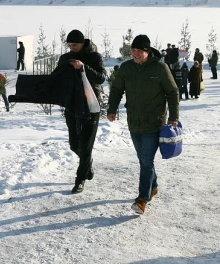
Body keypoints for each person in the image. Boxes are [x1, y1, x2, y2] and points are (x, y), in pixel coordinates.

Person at [107, 34, 179, 215]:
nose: (135, 53)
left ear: (147, 52)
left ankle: (142, 199)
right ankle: (153, 186)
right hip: (134, 121)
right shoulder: (126, 68)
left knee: (146, 161)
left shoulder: (160, 68)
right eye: (133, 50)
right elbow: (116, 89)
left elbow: (172, 92)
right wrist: (112, 109)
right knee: (143, 159)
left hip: (154, 123)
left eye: (139, 50)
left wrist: (173, 116)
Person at [58, 29, 107, 194]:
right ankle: (87, 163)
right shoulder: (65, 58)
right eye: (70, 45)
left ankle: (80, 180)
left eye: (75, 45)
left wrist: (83, 68)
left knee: (86, 146)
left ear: (83, 43)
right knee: (74, 145)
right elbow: (57, 78)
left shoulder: (95, 57)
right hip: (72, 105)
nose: (72, 48)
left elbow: (101, 78)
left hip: (91, 106)